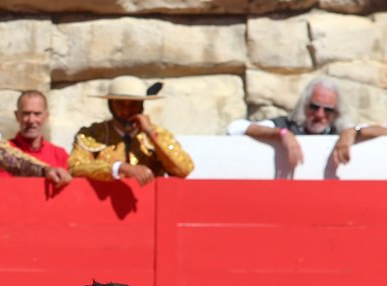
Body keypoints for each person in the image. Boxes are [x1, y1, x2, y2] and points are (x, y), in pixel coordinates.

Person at [226, 76, 387, 168]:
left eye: (328, 110)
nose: (319, 114)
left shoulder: (340, 132)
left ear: (336, 112)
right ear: (304, 104)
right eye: (314, 107)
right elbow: (236, 128)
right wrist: (282, 134)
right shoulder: (286, 125)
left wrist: (353, 132)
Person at [68, 76, 194, 185]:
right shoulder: (92, 134)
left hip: (147, 205)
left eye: (133, 104)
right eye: (120, 104)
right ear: (111, 105)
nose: (126, 111)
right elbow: (75, 167)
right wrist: (118, 168)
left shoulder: (157, 134)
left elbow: (184, 169)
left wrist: (150, 133)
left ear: (141, 105)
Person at [0, 90, 72, 186]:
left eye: (37, 114)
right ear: (17, 116)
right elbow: (2, 190)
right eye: (26, 114)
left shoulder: (60, 155)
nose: (31, 120)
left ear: (46, 116)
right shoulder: (2, 154)